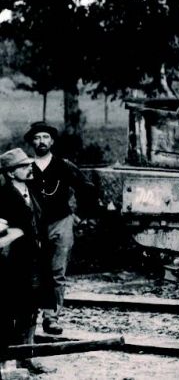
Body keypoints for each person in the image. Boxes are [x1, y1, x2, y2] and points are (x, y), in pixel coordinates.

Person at [25, 122, 99, 336]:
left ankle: (51, 318)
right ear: (32, 141)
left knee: (57, 272)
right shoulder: (26, 167)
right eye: (37, 137)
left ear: (52, 141)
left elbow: (87, 188)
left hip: (61, 223)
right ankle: (29, 319)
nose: (41, 142)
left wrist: (80, 215)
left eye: (45, 137)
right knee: (33, 272)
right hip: (34, 227)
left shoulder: (63, 166)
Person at [0, 148, 47, 374]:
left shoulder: (33, 190)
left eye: (29, 164)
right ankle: (8, 360)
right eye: (23, 166)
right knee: (10, 311)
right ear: (10, 173)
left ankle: (27, 357)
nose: (30, 168)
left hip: (35, 261)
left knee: (31, 309)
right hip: (12, 263)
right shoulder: (2, 196)